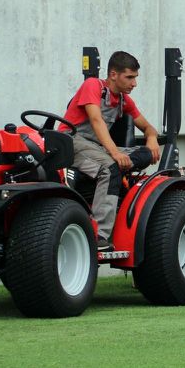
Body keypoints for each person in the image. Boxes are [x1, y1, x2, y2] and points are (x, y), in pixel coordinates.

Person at [61, 51, 161, 251]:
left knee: (146, 153)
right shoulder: (93, 86)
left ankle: (113, 187)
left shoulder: (124, 100)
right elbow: (96, 121)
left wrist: (151, 140)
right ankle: (99, 236)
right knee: (110, 168)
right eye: (130, 77)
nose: (134, 84)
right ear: (113, 75)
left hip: (97, 147)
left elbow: (149, 128)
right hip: (73, 141)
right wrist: (115, 154)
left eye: (135, 78)